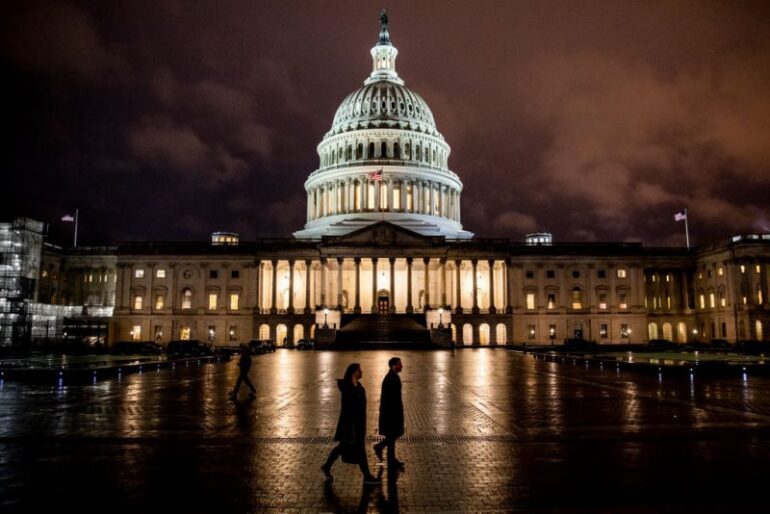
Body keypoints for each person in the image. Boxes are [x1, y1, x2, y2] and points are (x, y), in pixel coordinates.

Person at [321, 363, 380, 484]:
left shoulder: (359, 387)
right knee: (359, 450)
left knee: (341, 448)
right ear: (353, 372)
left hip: (358, 425)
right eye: (359, 370)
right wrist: (350, 429)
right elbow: (347, 410)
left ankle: (326, 466)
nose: (362, 372)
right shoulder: (347, 388)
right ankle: (367, 476)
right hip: (350, 426)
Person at [373, 357, 404, 468]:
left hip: (392, 411)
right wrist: (393, 413)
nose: (402, 366)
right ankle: (380, 447)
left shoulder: (393, 376)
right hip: (391, 413)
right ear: (393, 366)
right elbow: (389, 398)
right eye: (399, 364)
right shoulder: (391, 378)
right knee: (394, 433)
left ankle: (391, 459)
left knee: (393, 434)